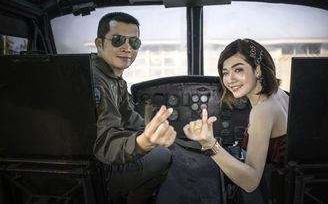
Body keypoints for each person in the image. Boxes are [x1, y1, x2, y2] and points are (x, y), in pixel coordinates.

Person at [183, 38, 289, 204]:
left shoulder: (262, 111)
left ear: (258, 70)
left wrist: (209, 143)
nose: (229, 79)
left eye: (238, 69)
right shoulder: (280, 94)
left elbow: (250, 182)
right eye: (225, 73)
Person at [92, 12, 177, 204]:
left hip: (96, 164)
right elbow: (105, 145)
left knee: (167, 146)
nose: (127, 48)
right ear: (99, 43)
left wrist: (151, 132)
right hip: (98, 173)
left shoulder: (112, 78)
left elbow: (128, 117)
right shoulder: (98, 83)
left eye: (134, 42)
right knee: (164, 156)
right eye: (118, 40)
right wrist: (143, 143)